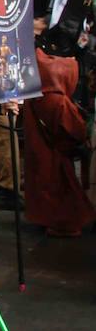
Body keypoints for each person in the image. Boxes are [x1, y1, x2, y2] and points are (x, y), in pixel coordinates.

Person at [23, 27, 96, 237]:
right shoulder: (56, 98)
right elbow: (72, 130)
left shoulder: (39, 91)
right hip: (56, 153)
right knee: (58, 187)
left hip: (42, 150)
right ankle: (62, 223)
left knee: (43, 183)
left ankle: (48, 219)